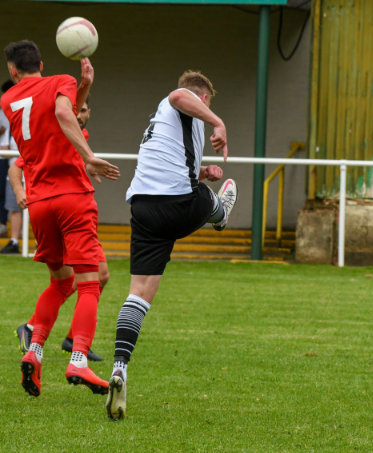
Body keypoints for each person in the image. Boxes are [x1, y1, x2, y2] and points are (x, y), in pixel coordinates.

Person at [105, 70, 237, 420]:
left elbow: (174, 165)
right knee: (204, 199)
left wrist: (203, 172)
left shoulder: (164, 123)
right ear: (203, 99)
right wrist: (219, 123)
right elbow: (179, 95)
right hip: (178, 203)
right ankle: (220, 213)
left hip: (143, 208)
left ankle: (119, 367)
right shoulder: (179, 101)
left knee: (138, 295)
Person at [0, 40, 120, 397]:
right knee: (90, 283)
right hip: (72, 198)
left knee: (61, 283)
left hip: (40, 203)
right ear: (42, 63)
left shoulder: (9, 100)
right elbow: (64, 114)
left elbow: (58, 113)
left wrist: (84, 88)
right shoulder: (59, 82)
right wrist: (90, 156)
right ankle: (78, 358)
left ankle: (34, 351)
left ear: (13, 71)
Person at [11, 99, 107, 360]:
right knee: (68, 282)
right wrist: (20, 192)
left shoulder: (80, 135)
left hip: (73, 212)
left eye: (84, 110)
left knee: (100, 276)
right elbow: (15, 166)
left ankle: (71, 338)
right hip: (60, 212)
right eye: (77, 109)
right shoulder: (54, 132)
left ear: (89, 113)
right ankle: (37, 330)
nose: (80, 114)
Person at [0, 80, 16, 238]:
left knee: (20, 190)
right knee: (2, 190)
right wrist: (1, 131)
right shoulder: (0, 114)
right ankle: (2, 224)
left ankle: (21, 228)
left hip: (19, 157)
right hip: (2, 156)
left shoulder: (24, 110)